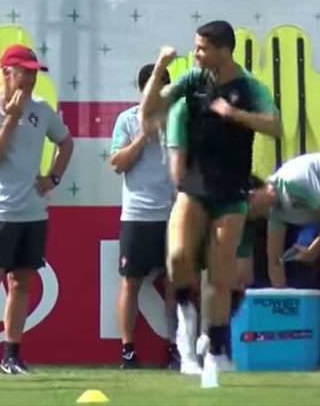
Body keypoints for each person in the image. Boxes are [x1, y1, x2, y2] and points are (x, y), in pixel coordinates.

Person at [141, 20, 281, 381]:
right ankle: (187, 322)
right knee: (177, 257)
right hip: (193, 186)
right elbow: (152, 107)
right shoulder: (192, 79)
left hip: (232, 192)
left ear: (223, 50)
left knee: (220, 276)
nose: (196, 53)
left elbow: (275, 124)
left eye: (202, 48)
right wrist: (159, 68)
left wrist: (234, 115)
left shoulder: (249, 87)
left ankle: (214, 347)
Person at [0, 44, 74, 375]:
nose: (29, 79)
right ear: (6, 72)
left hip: (33, 210)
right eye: (23, 71)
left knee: (21, 282)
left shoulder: (41, 109)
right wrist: (10, 120)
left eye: (33, 72)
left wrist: (52, 178)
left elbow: (66, 142)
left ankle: (11, 356)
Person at [165, 99, 266, 372]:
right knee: (182, 268)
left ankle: (214, 342)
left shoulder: (239, 202)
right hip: (194, 210)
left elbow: (242, 275)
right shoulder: (186, 123)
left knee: (232, 279)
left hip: (226, 214)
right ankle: (186, 345)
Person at [109, 64, 179, 370]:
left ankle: (177, 347)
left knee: (177, 283)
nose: (158, 93)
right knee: (131, 282)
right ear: (142, 90)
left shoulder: (180, 120)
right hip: (137, 214)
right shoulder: (126, 119)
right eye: (153, 86)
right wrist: (143, 137)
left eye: (164, 86)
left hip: (174, 214)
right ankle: (127, 350)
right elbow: (117, 163)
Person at [247, 153, 320, 287]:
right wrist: (281, 300)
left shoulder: (292, 182)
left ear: (252, 196)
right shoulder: (274, 211)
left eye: (253, 214)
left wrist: (312, 251)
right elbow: (275, 261)